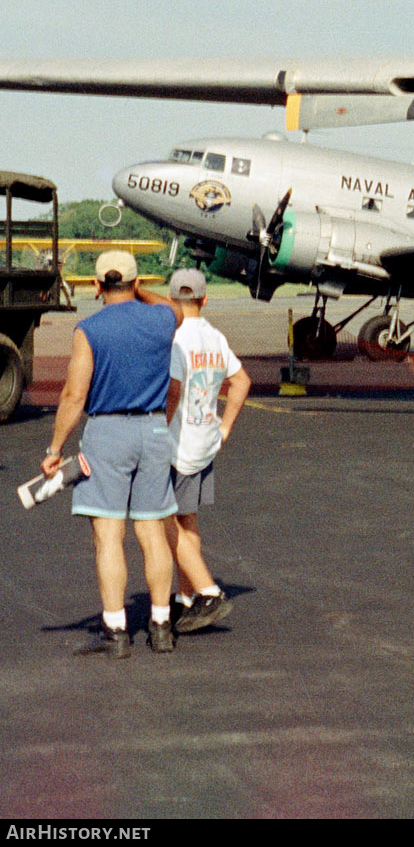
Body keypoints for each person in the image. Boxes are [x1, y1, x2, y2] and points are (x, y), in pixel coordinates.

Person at [41, 250, 180, 657]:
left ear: (97, 285)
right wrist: (141, 291)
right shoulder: (162, 318)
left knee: (109, 536)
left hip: (108, 432)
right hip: (154, 429)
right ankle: (161, 626)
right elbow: (174, 308)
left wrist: (55, 448)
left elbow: (74, 396)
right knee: (153, 533)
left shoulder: (89, 329)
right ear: (136, 283)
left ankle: (116, 630)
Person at [159, 268, 250, 633]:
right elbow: (241, 380)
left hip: (175, 445)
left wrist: (153, 430)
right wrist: (225, 427)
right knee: (188, 520)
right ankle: (185, 598)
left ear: (170, 301)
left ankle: (207, 591)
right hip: (204, 442)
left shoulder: (176, 337)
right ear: (204, 299)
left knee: (164, 522)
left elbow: (173, 392)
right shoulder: (214, 336)